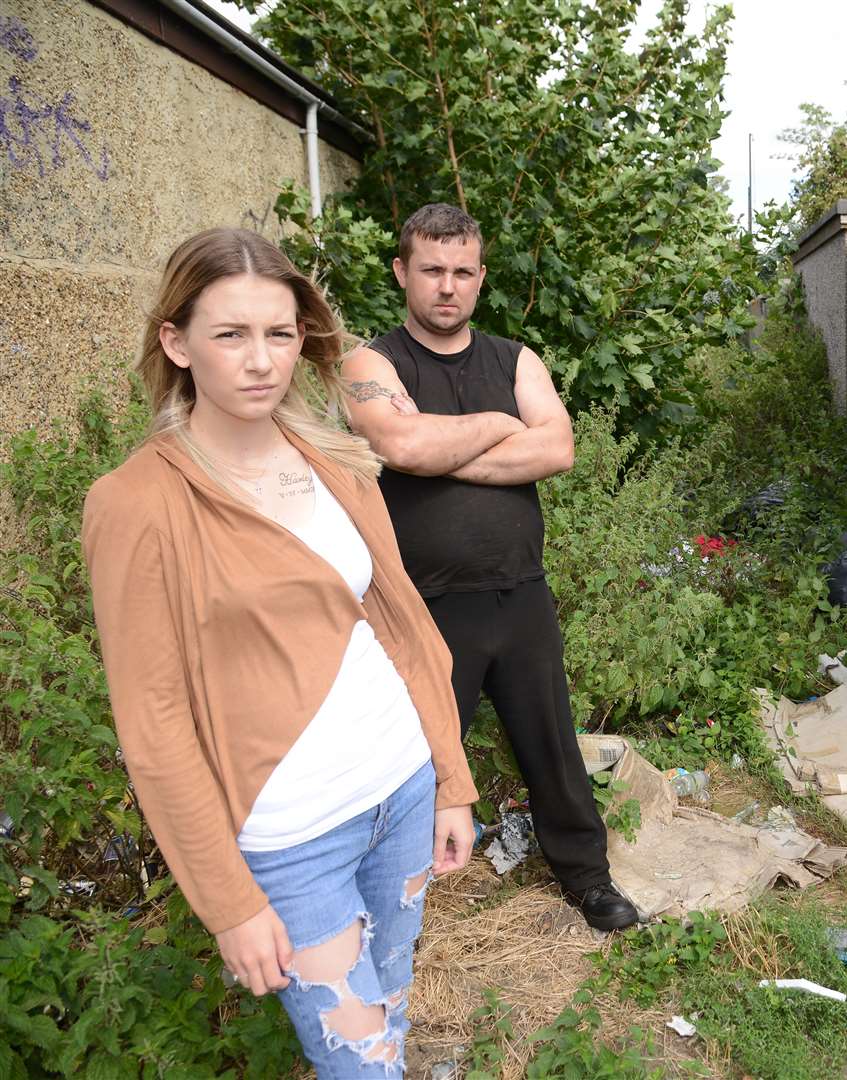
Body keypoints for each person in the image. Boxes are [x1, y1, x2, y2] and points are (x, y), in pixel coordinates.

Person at [82, 228, 479, 1078]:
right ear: (177, 343)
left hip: (401, 790)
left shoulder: (335, 460)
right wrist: (228, 902)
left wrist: (449, 776)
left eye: (280, 333)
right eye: (231, 334)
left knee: (391, 1019)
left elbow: (404, 626)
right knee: (358, 1063)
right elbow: (153, 725)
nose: (261, 360)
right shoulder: (136, 503)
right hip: (292, 838)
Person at [340, 203, 637, 931]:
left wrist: (443, 445)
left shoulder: (514, 359)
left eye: (463, 271)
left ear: (480, 278)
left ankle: (587, 878)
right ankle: (390, 895)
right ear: (402, 272)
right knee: (410, 761)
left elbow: (558, 449)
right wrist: (506, 427)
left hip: (520, 593)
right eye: (432, 270)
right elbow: (399, 446)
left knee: (553, 745)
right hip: (424, 602)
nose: (448, 285)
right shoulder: (369, 363)